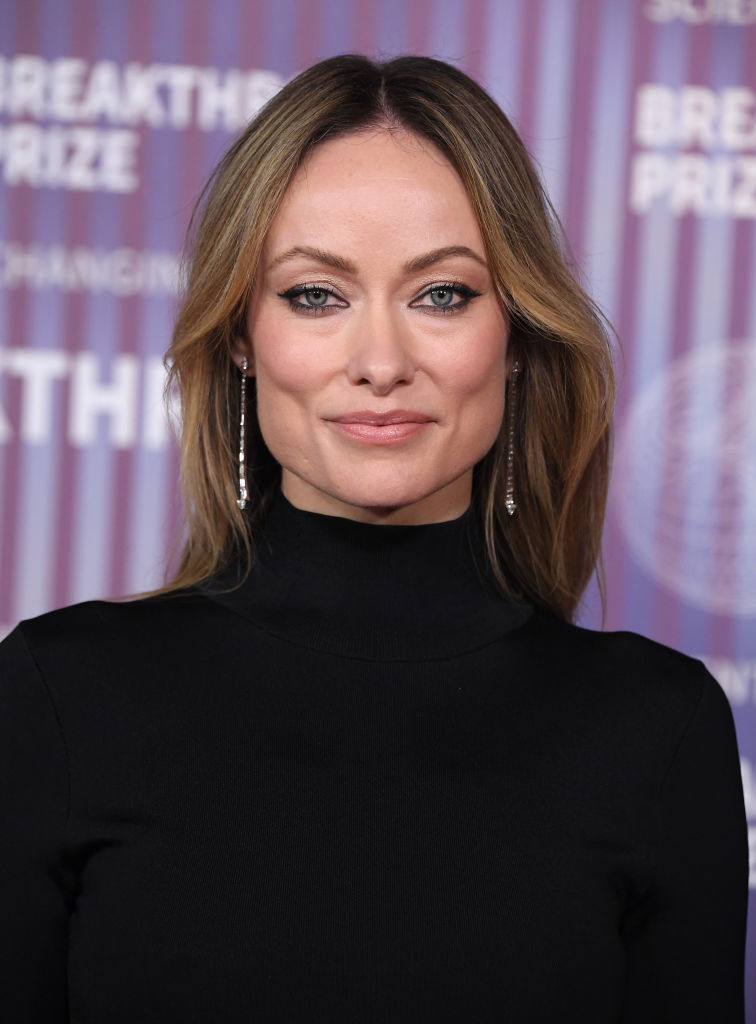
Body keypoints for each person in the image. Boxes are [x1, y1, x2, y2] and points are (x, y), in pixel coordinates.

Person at [0, 54, 748, 1023]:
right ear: (240, 333)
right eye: (317, 294)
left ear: (516, 334)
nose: (382, 363)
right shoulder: (58, 700)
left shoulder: (657, 730)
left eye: (442, 294)